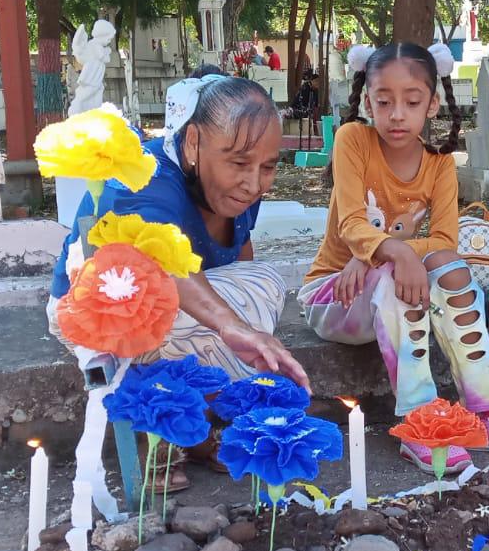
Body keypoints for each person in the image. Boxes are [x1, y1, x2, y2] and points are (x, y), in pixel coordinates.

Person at [297, 43, 489, 475]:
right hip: (334, 297)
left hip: (382, 284)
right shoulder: (353, 140)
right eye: (384, 101)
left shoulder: (439, 166)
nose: (397, 113)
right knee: (396, 276)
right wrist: (391, 251)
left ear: (432, 104)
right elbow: (352, 226)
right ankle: (419, 418)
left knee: (453, 271)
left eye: (412, 101)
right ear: (367, 101)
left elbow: (445, 241)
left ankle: (485, 409)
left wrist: (384, 255)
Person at [49, 76, 309, 492]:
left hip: (179, 310)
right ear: (192, 143)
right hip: (100, 313)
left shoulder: (244, 187)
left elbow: (240, 260)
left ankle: (197, 425)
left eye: (269, 166)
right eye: (240, 163)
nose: (256, 183)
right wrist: (233, 326)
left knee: (263, 285)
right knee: (203, 310)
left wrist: (251, 328)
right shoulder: (145, 177)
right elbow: (164, 266)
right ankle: (154, 431)